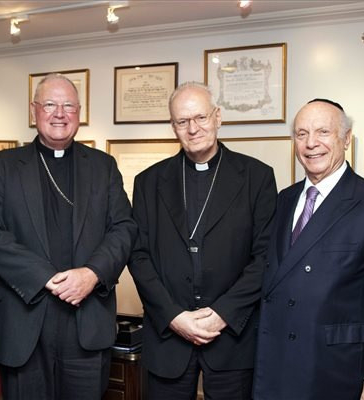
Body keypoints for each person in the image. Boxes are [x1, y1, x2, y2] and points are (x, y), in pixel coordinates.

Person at [0, 74, 136, 400]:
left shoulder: (103, 166)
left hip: (86, 320)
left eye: (68, 106)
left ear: (79, 113)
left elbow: (124, 227)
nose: (59, 114)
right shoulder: (1, 167)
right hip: (23, 320)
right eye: (49, 104)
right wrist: (47, 278)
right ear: (34, 110)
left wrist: (92, 274)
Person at [254, 99, 364, 400]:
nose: (311, 143)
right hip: (275, 365)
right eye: (301, 134)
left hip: (335, 373)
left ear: (346, 138)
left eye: (323, 132)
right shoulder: (284, 199)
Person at [128, 81, 277, 399]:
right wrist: (173, 316)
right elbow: (138, 257)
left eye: (200, 117)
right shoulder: (148, 182)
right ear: (173, 127)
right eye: (182, 121)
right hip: (168, 338)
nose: (193, 128)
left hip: (233, 338)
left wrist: (223, 313)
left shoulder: (257, 177)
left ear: (218, 117)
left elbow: (265, 257)